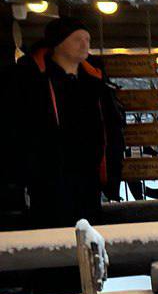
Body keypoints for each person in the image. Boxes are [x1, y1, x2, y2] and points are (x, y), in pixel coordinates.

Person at [0, 17, 124, 236]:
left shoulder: (95, 82)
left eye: (87, 39)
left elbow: (110, 128)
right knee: (53, 239)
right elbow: (17, 129)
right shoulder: (31, 80)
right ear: (59, 43)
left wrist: (109, 171)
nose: (85, 45)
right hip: (48, 179)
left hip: (89, 177)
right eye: (78, 39)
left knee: (91, 239)